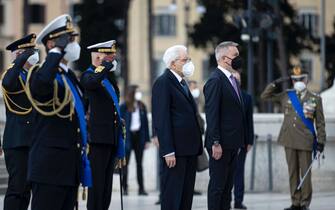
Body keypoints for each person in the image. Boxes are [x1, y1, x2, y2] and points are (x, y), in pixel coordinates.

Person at [26, 14, 88, 210]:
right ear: (52, 42)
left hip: (69, 166)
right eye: (69, 40)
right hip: (49, 168)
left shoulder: (69, 76)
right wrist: (55, 52)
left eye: (73, 39)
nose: (73, 44)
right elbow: (41, 86)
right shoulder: (41, 73)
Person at [261, 66, 326, 210]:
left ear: (307, 79)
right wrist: (276, 82)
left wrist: (321, 141)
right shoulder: (286, 95)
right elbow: (265, 96)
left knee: (305, 174)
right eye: (295, 79)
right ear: (292, 80)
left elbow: (320, 123)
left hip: (306, 141)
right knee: (293, 172)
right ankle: (295, 202)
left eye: (301, 78)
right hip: (289, 140)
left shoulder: (315, 98)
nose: (298, 81)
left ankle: (304, 203)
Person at [152, 45, 203, 210]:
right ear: (173, 63)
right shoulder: (163, 82)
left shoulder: (182, 82)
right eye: (185, 59)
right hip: (175, 151)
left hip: (189, 150)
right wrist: (168, 150)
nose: (188, 63)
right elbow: (161, 119)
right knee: (173, 197)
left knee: (186, 197)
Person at [204, 41, 246, 210]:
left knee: (227, 188)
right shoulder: (216, 80)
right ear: (223, 58)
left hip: (232, 143)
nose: (238, 59)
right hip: (220, 145)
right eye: (235, 55)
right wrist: (215, 142)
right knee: (217, 187)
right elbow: (212, 114)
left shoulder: (231, 80)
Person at [80, 40, 122, 210]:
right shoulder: (89, 75)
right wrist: (104, 65)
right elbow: (91, 83)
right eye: (108, 57)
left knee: (106, 188)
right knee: (96, 188)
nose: (112, 61)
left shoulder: (107, 80)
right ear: (98, 57)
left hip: (110, 138)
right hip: (97, 140)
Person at [1, 34, 39, 210]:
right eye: (30, 52)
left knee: (26, 189)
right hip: (16, 140)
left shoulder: (29, 75)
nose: (34, 54)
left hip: (30, 139)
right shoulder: (11, 73)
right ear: (20, 54)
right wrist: (20, 59)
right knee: (17, 188)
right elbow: (8, 83)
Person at [120, 85, 150, 196]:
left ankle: (141, 188)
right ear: (132, 93)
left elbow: (146, 124)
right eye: (137, 92)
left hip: (139, 137)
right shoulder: (124, 106)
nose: (139, 94)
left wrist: (147, 140)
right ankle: (125, 188)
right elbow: (120, 122)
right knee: (125, 164)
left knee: (139, 164)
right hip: (128, 137)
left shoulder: (142, 106)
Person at [232, 71, 254, 210]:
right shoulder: (225, 94)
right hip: (227, 141)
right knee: (227, 173)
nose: (236, 81)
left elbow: (249, 121)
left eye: (238, 79)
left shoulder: (247, 97)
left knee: (239, 172)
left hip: (242, 142)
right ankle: (225, 199)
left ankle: (238, 201)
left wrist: (250, 140)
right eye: (234, 78)